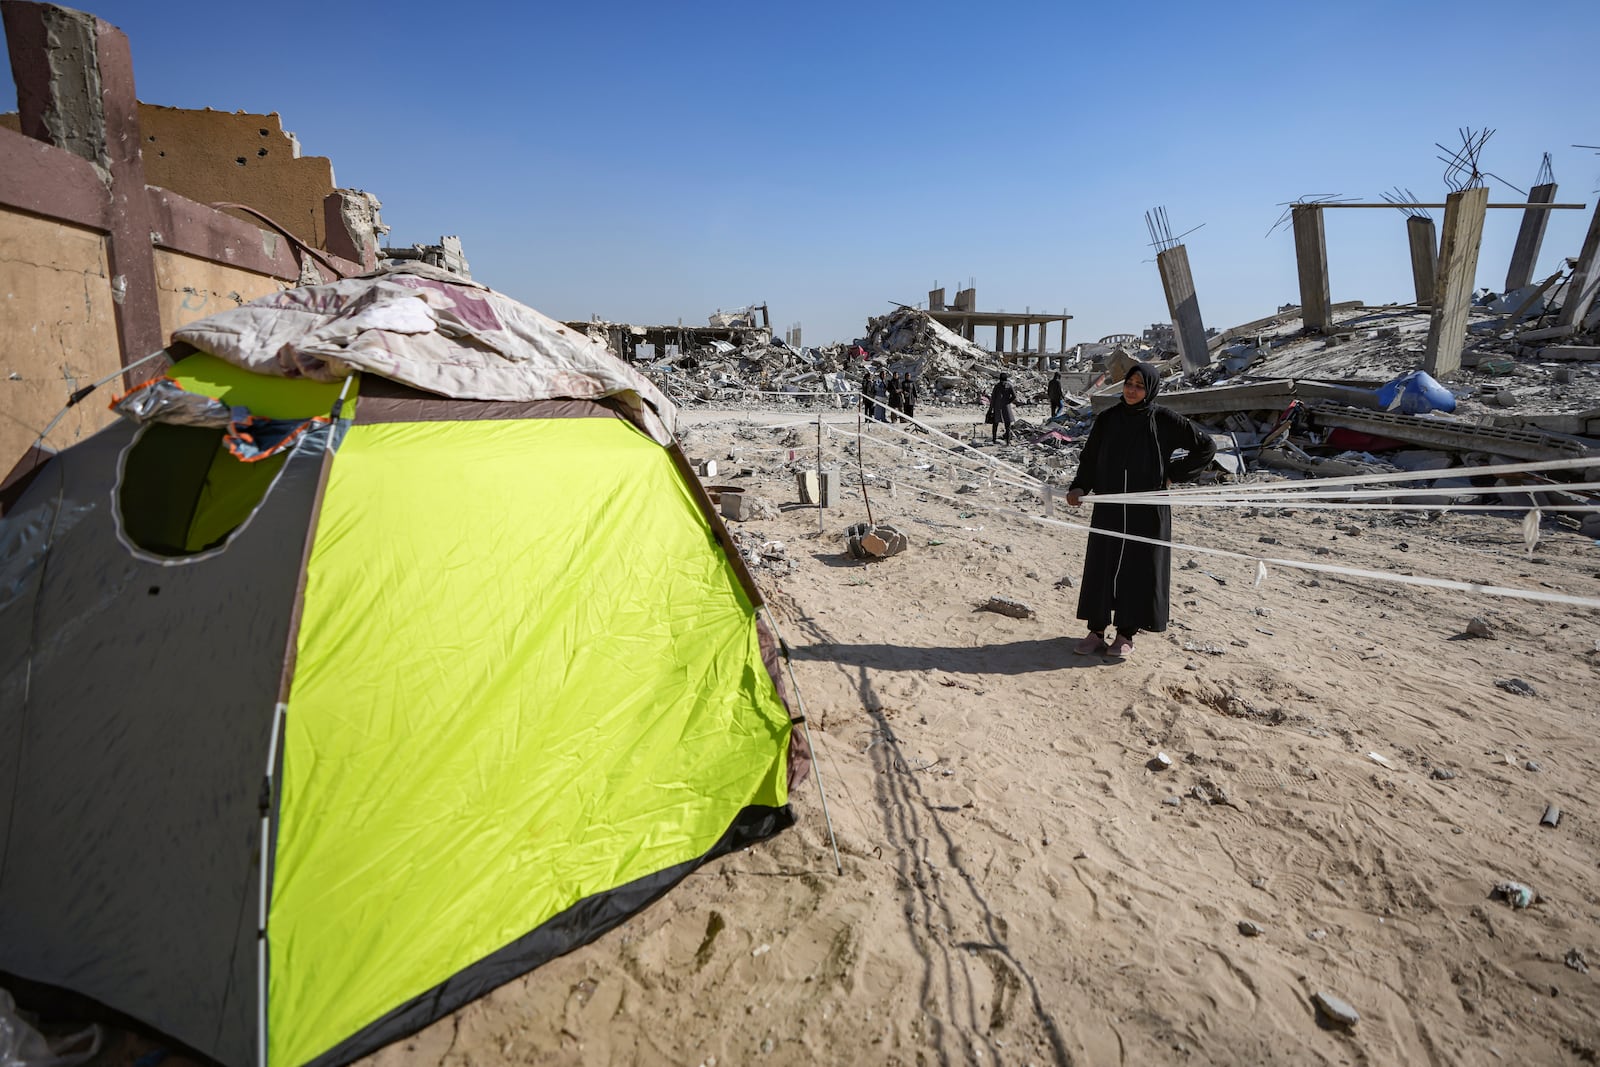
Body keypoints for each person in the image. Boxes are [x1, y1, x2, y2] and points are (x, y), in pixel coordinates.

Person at [1064, 363, 1215, 659]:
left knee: (1137, 567)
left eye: (1140, 386)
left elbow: (1206, 447)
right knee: (1102, 564)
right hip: (1109, 506)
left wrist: (1171, 475)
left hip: (1146, 509)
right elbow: (1090, 457)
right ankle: (1096, 631)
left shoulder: (1164, 420)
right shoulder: (1108, 419)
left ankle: (1125, 634)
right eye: (1129, 384)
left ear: (1151, 389)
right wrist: (1080, 486)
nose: (1132, 390)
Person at [986, 374, 1016, 444]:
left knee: (995, 424)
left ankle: (994, 440)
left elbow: (993, 398)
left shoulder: (997, 386)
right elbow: (1014, 396)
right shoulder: (1009, 386)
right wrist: (1008, 401)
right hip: (1006, 407)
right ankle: (1008, 442)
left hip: (997, 407)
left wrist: (990, 409)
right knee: (1007, 425)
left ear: (1000, 379)